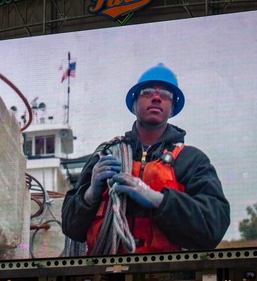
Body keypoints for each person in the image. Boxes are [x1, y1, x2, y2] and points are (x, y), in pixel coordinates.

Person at [62, 63, 230, 254]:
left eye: (166, 95)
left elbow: (213, 227)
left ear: (173, 108)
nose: (157, 98)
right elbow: (70, 228)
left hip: (167, 275)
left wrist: (157, 200)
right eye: (148, 92)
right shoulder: (105, 155)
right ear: (134, 104)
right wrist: (90, 195)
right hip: (105, 273)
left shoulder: (192, 160)